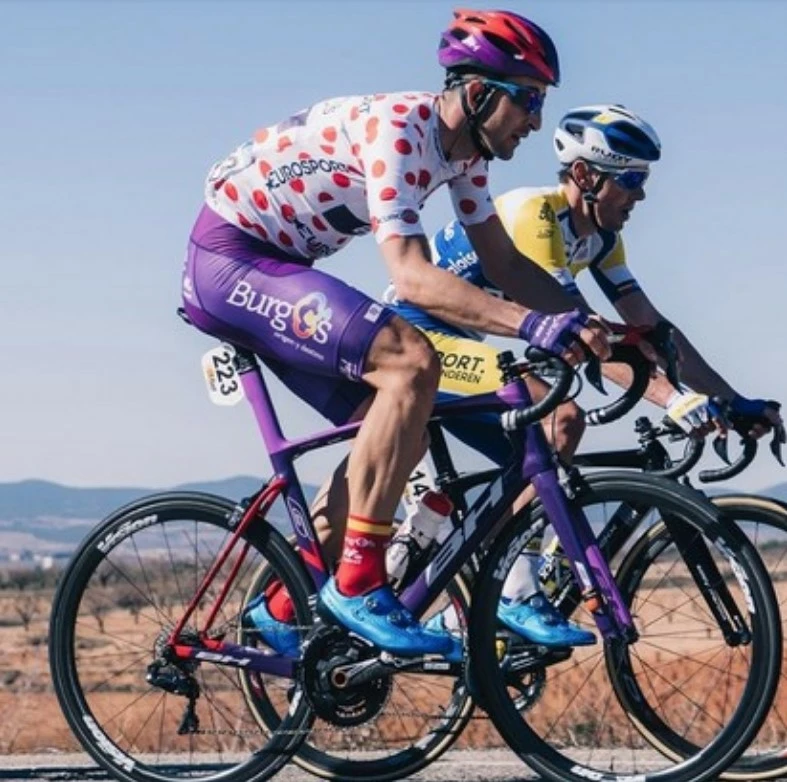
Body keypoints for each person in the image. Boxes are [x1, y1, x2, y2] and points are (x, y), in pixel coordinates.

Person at [181, 9, 611, 659]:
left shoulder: (463, 155)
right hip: (231, 261)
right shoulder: (401, 130)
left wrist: (593, 327)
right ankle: (359, 582)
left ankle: (280, 609)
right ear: (478, 93)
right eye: (528, 100)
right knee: (411, 361)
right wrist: (532, 325)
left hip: (277, 266)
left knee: (395, 429)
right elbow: (411, 278)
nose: (535, 121)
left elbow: (503, 263)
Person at [383, 103, 785, 646]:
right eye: (631, 180)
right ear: (584, 175)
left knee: (547, 443)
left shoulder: (600, 238)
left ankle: (479, 583)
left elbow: (654, 328)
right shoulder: (535, 215)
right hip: (415, 338)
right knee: (561, 421)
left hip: (468, 342)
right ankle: (512, 587)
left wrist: (730, 400)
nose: (641, 196)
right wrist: (673, 400)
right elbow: (583, 332)